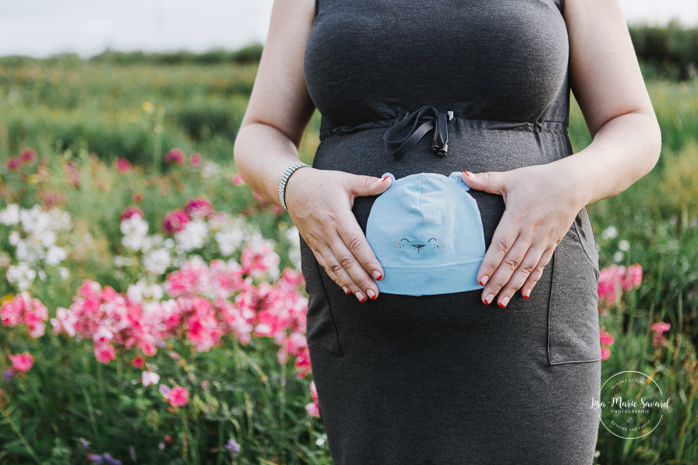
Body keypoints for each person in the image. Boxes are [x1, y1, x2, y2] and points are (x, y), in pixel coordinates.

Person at [233, 0, 661, 463]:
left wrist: (569, 183)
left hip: (529, 328)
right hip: (364, 337)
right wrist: (292, 184)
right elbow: (262, 129)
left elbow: (633, 124)